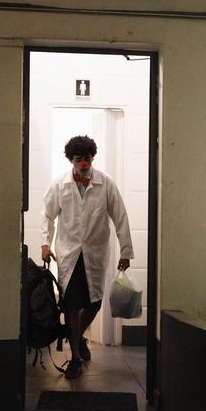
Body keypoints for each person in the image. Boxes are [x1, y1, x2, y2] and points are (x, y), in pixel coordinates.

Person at [41, 135, 134, 379]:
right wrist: (44, 243)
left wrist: (125, 251)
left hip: (95, 253)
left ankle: (77, 335)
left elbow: (120, 216)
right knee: (71, 304)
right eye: (79, 159)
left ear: (93, 158)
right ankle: (75, 357)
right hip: (69, 254)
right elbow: (47, 216)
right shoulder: (60, 185)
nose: (84, 163)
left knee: (94, 303)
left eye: (88, 158)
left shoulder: (106, 183)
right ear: (71, 159)